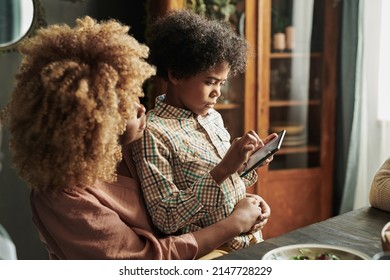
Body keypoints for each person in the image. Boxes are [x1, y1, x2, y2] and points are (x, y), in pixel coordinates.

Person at [1, 16, 264, 260]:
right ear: (88, 119)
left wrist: (242, 202)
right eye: (125, 104)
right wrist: (233, 225)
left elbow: (193, 193)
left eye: (136, 94)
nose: (141, 108)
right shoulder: (62, 195)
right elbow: (144, 261)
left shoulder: (131, 143)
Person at [132, 10, 273, 253]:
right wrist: (224, 168)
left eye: (222, 83)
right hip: (213, 254)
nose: (218, 92)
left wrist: (247, 166)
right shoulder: (153, 133)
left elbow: (227, 183)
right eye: (209, 81)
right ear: (175, 75)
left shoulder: (213, 119)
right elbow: (166, 216)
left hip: (250, 240)